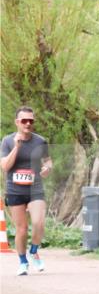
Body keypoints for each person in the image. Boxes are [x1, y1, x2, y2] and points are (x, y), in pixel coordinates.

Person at [1, 107, 53, 276]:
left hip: (35, 188)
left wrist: (47, 168)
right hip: (15, 189)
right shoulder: (7, 141)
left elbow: (48, 161)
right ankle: (23, 262)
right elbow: (5, 166)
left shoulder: (40, 141)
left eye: (31, 120)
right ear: (17, 122)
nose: (28, 124)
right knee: (21, 229)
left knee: (39, 223)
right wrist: (17, 147)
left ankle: (34, 251)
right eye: (24, 120)